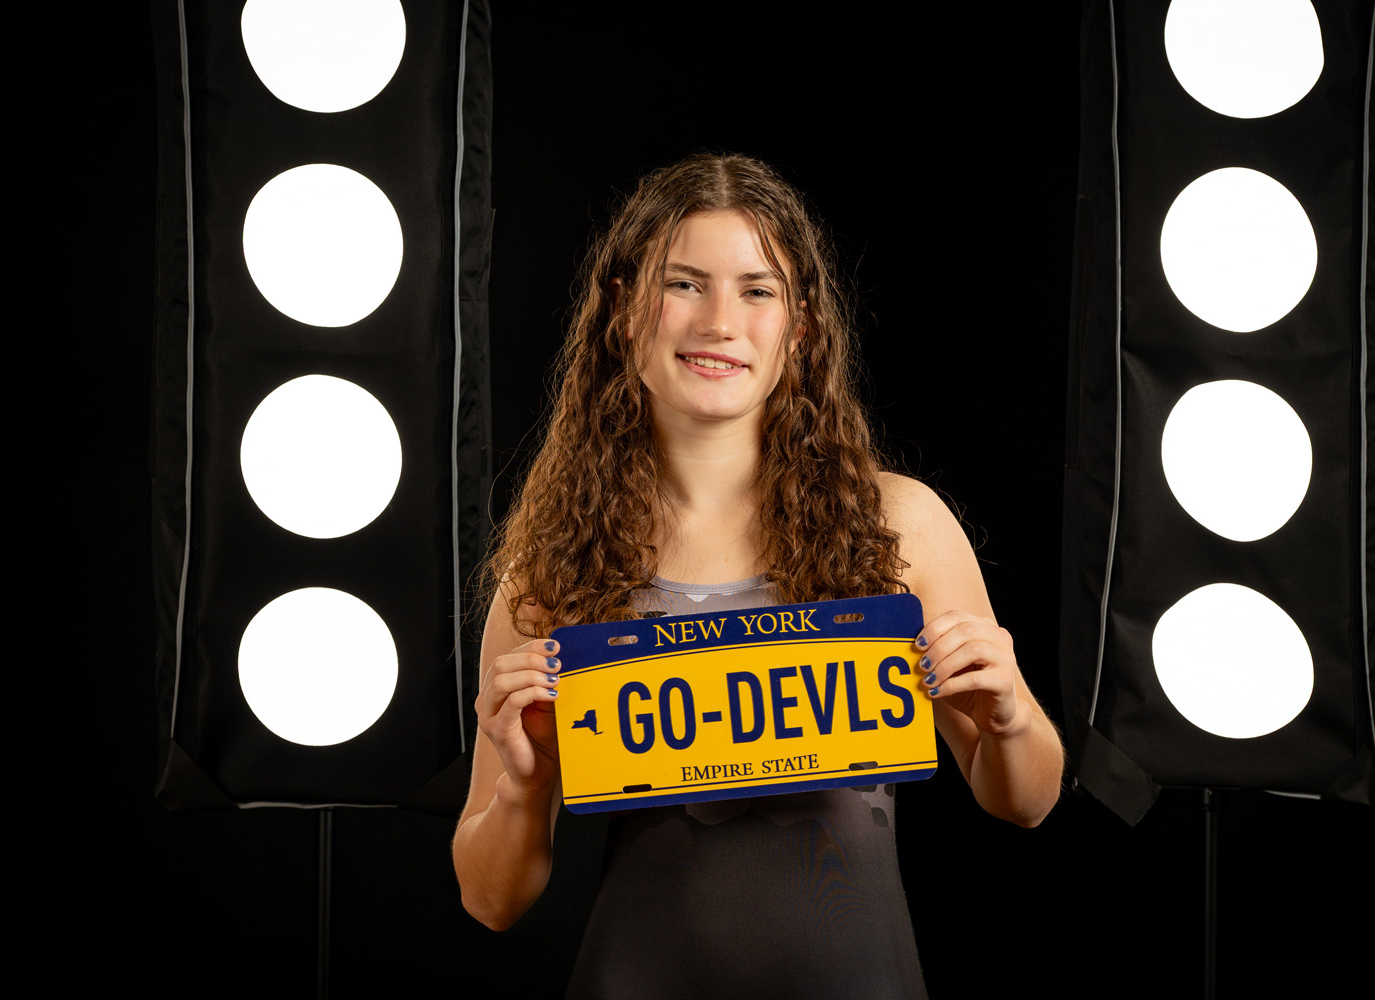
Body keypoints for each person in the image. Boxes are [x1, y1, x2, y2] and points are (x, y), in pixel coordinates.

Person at [452, 153, 1063, 997]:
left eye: (756, 290)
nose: (719, 322)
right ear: (623, 311)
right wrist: (522, 786)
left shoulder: (901, 524)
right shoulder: (552, 566)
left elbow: (1026, 801)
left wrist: (1011, 715)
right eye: (683, 284)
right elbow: (490, 902)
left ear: (799, 326)